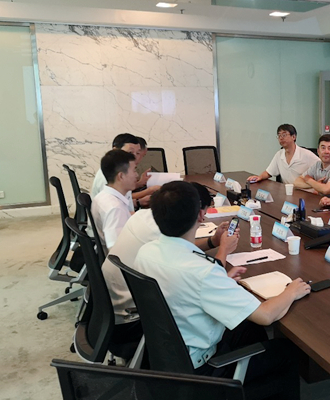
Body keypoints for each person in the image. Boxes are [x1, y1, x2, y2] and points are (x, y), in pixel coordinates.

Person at [134, 181, 309, 399]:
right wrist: (291, 291)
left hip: (169, 354)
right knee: (286, 351)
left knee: (248, 329)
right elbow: (265, 316)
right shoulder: (203, 271)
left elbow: (179, 285)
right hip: (201, 369)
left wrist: (220, 282)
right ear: (201, 215)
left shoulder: (146, 252)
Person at [101, 183, 237, 344]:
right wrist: (224, 250)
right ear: (198, 212)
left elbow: (183, 249)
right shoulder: (161, 236)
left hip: (116, 310)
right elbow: (201, 275)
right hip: (135, 324)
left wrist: (212, 241)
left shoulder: (142, 219)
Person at [91, 133, 158, 208]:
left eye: (138, 153)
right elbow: (114, 207)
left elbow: (124, 201)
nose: (135, 157)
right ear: (115, 150)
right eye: (130, 152)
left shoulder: (120, 171)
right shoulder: (108, 176)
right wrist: (149, 191)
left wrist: (138, 202)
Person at [91, 149, 138, 251]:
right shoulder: (115, 209)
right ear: (121, 176)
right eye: (134, 170)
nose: (137, 175)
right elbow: (116, 251)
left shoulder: (103, 195)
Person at [247, 124, 319, 185]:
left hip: (305, 192)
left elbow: (322, 168)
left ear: (293, 137)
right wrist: (259, 177)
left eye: (284, 135)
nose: (281, 138)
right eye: (279, 135)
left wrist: (317, 187)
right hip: (288, 191)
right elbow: (269, 172)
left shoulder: (306, 154)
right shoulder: (279, 154)